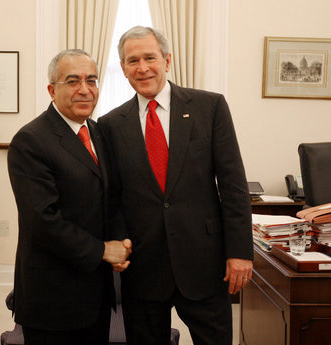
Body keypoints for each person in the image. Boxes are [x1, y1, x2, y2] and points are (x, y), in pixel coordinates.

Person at [97, 26, 253, 345]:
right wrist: (119, 245)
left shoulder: (209, 108)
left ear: (167, 60)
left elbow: (234, 186)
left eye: (150, 58)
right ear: (123, 68)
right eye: (132, 60)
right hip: (143, 269)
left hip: (205, 264)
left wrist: (240, 252)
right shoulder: (110, 124)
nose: (142, 68)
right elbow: (113, 198)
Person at [8, 49, 132, 345]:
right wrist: (103, 250)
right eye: (73, 81)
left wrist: (122, 243)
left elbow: (111, 199)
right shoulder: (31, 140)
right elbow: (43, 221)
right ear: (52, 90)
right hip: (52, 298)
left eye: (92, 80)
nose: (85, 90)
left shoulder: (99, 133)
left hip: (96, 295)